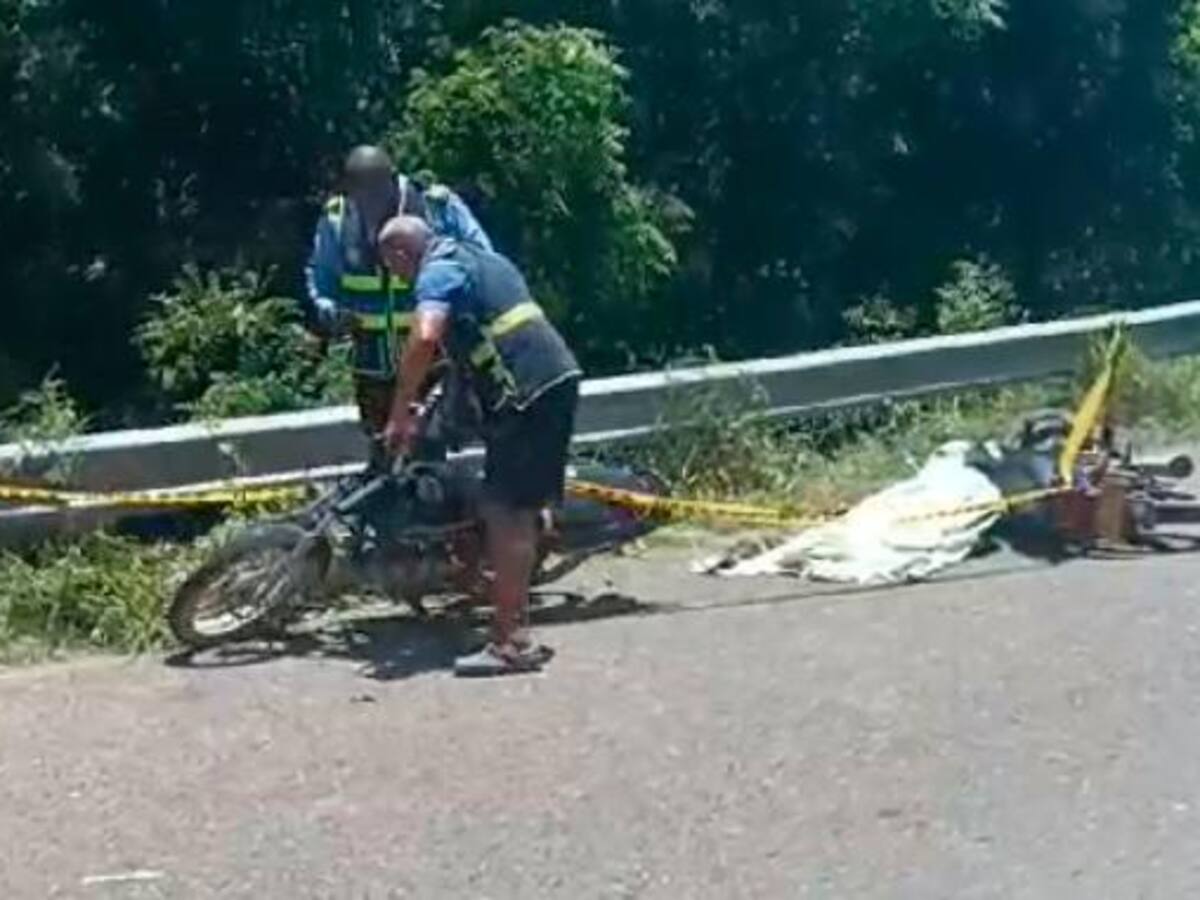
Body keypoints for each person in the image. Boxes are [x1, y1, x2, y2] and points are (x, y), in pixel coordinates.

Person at [377, 215, 582, 677]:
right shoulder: (479, 257)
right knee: (517, 504)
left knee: (503, 510)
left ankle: (511, 642)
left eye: (395, 269)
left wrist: (398, 410)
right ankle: (506, 574)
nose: (400, 279)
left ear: (401, 254)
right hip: (550, 379)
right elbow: (473, 347)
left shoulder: (437, 268)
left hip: (524, 391)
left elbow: (426, 336)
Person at [304, 145, 492, 447]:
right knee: (385, 448)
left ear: (393, 180)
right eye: (361, 197)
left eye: (377, 195)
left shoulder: (436, 208)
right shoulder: (337, 219)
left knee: (432, 448)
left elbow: (481, 261)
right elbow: (322, 277)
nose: (371, 206)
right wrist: (330, 310)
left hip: (435, 354)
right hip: (373, 361)